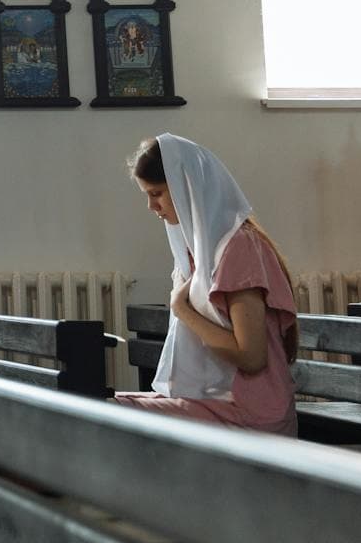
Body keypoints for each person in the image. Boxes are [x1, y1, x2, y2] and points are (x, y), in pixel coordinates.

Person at [112, 134, 299, 435]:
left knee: (106, 413)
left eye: (157, 193)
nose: (151, 206)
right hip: (214, 402)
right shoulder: (197, 252)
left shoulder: (239, 248)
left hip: (251, 411)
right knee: (92, 403)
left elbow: (251, 357)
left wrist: (180, 308)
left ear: (186, 188)